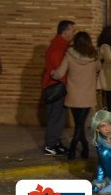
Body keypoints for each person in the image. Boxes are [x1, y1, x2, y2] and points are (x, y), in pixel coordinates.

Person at [51, 31, 101, 160]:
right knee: (80, 123)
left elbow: (60, 73)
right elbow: (98, 68)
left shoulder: (69, 55)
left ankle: (74, 147)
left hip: (73, 94)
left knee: (79, 123)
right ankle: (83, 146)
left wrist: (52, 73)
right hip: (88, 95)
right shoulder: (94, 56)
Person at [42, 20, 77, 155]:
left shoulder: (60, 45)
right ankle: (50, 145)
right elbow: (58, 71)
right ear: (65, 31)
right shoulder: (58, 47)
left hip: (57, 86)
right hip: (55, 87)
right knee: (55, 117)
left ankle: (56, 143)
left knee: (59, 117)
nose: (74, 33)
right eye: (72, 30)